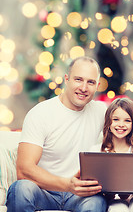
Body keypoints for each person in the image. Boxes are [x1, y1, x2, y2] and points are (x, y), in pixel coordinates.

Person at [6, 56, 107, 212]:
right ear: (66, 79)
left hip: (80, 196)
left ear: (97, 86)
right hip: (44, 191)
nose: (84, 88)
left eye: (91, 82)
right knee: (20, 189)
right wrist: (67, 185)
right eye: (78, 79)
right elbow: (23, 170)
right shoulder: (41, 113)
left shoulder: (102, 111)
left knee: (96, 202)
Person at [90, 98, 133, 212]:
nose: (121, 125)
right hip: (111, 200)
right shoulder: (97, 151)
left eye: (127, 120)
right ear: (108, 122)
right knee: (118, 208)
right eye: (116, 119)